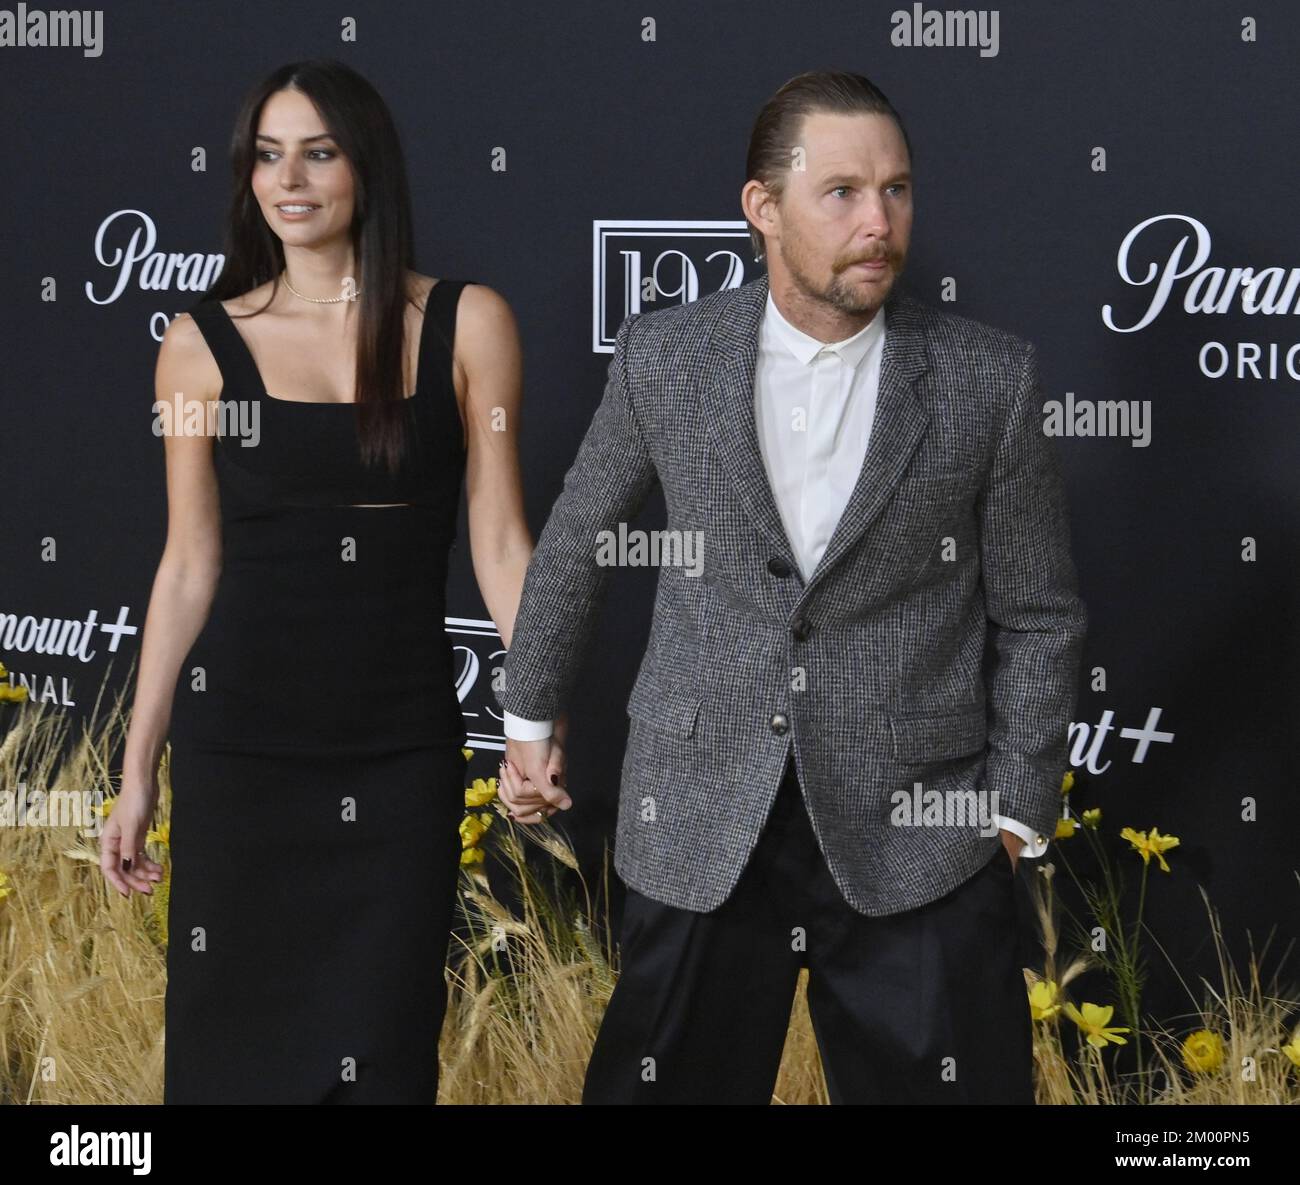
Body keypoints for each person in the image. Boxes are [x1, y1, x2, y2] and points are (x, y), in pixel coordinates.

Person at [496, 69, 1087, 1103]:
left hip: (920, 832)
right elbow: (581, 540)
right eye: (844, 193)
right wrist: (528, 716)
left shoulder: (987, 378)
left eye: (896, 190)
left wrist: (1015, 814)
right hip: (700, 810)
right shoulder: (664, 358)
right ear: (762, 209)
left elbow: (1038, 612)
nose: (879, 221)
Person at [100, 59, 564, 1103]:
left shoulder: (466, 324)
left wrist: (533, 716)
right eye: (268, 155)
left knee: (384, 1052)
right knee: (230, 1061)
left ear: (368, 167)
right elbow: (187, 563)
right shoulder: (196, 346)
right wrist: (137, 771)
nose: (289, 179)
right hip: (242, 758)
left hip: (397, 752)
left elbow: (500, 543)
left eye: (318, 151)